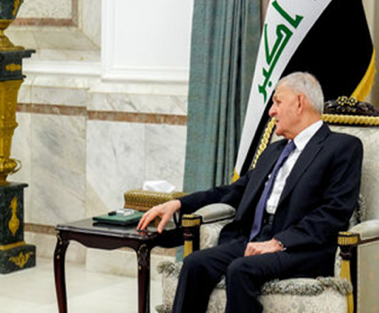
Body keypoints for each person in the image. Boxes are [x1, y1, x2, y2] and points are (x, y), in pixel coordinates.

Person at [137, 72, 362, 313]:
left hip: (301, 248)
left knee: (241, 269)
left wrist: (279, 242)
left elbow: (334, 212)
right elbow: (233, 191)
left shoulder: (342, 147)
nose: (271, 111)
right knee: (195, 263)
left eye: (277, 102)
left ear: (299, 103)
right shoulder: (274, 151)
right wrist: (180, 204)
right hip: (254, 239)